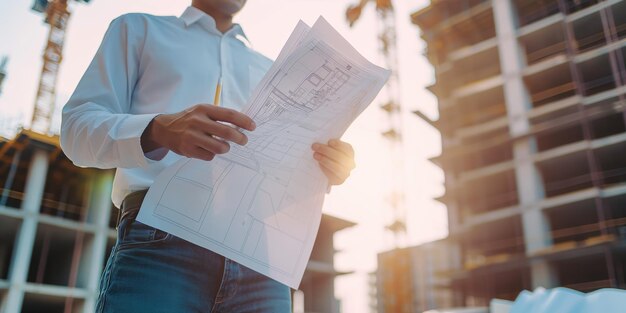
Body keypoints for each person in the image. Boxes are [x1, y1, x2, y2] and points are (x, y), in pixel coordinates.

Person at [61, 0, 356, 312]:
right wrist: (156, 129)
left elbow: (285, 165)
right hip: (161, 241)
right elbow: (75, 130)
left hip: (260, 258)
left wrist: (327, 167)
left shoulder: (271, 69)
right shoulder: (138, 29)